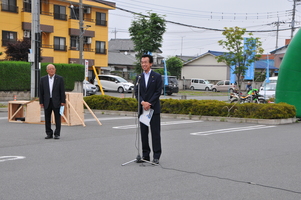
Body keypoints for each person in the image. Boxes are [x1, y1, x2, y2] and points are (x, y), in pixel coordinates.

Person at [135, 54, 162, 164]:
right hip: (143, 109)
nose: (144, 64)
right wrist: (142, 102)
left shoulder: (156, 76)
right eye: (142, 62)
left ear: (151, 63)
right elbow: (137, 92)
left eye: (146, 62)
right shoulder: (139, 77)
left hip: (153, 109)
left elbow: (158, 92)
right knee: (144, 133)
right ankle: (145, 155)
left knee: (155, 133)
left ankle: (156, 156)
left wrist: (149, 103)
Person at [39, 64, 66, 139]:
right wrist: (41, 102)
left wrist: (63, 101)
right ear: (47, 70)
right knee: (47, 118)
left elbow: (62, 91)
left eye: (53, 69)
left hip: (57, 101)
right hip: (47, 101)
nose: (52, 70)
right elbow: (41, 92)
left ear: (55, 70)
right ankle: (49, 133)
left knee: (57, 118)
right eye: (50, 69)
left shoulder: (59, 78)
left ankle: (57, 133)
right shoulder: (43, 79)